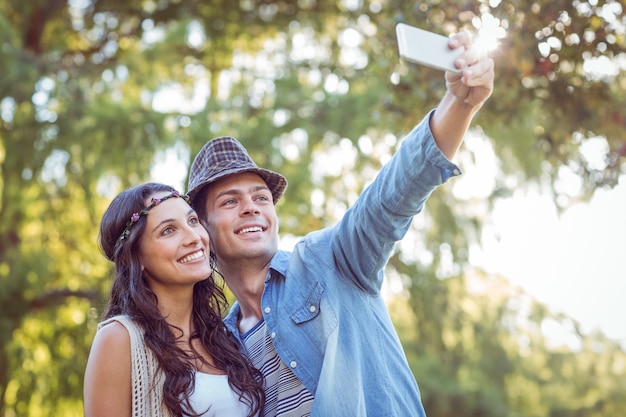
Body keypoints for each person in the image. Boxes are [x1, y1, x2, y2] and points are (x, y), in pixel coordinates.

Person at [186, 31, 494, 417]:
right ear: (203, 229)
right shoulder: (221, 348)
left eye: (260, 197)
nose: (251, 208)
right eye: (230, 202)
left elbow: (394, 194)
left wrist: (460, 103)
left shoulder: (330, 260)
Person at [83, 183, 265, 417]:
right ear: (135, 258)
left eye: (192, 221)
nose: (193, 237)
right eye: (168, 230)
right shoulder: (118, 339)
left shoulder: (226, 338)